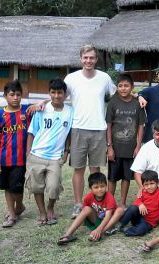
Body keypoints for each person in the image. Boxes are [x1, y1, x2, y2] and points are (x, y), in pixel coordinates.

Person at [63, 45, 116, 218]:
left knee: (95, 169)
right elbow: (58, 97)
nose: (88, 61)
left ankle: (96, 204)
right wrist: (41, 104)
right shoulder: (71, 78)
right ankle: (78, 204)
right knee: (78, 169)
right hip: (78, 129)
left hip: (99, 129)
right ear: (80, 59)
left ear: (96, 59)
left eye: (92, 58)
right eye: (85, 58)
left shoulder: (104, 78)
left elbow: (118, 94)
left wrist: (139, 96)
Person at [25, 78, 74, 226]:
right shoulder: (41, 110)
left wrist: (66, 152)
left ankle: (50, 207)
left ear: (65, 95)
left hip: (55, 158)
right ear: (49, 93)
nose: (57, 96)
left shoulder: (70, 111)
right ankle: (42, 212)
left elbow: (70, 134)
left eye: (60, 93)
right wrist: (29, 153)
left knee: (53, 187)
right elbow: (32, 132)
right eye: (53, 92)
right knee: (36, 186)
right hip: (36, 155)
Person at [0, 80, 31, 228]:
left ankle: (19, 205)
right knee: (7, 187)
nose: (15, 97)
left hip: (21, 160)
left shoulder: (27, 111)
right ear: (5, 96)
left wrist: (38, 104)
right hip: (4, 159)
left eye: (18, 95)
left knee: (16, 187)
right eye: (12, 94)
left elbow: (46, 102)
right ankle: (12, 214)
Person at [106, 73, 146, 208]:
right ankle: (110, 203)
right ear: (117, 87)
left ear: (132, 87)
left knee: (126, 177)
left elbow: (141, 126)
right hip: (115, 148)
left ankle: (122, 202)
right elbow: (109, 125)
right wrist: (109, 146)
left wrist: (138, 146)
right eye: (120, 86)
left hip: (130, 148)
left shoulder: (137, 104)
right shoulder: (113, 103)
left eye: (126, 86)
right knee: (112, 177)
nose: (123, 88)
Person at [57, 172, 121, 245]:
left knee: (120, 210)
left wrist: (99, 229)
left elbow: (108, 216)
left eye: (102, 186)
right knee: (86, 208)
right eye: (96, 187)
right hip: (96, 220)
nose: (100, 189)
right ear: (91, 188)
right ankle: (67, 235)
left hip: (108, 223)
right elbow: (84, 212)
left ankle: (101, 232)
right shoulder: (88, 197)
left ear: (106, 186)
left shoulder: (109, 197)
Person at [104, 170, 159, 236]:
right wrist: (140, 204)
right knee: (133, 208)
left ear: (157, 183)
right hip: (139, 217)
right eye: (146, 185)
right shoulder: (143, 191)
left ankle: (127, 230)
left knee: (141, 230)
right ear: (143, 185)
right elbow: (136, 201)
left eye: (152, 183)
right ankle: (119, 225)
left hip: (149, 222)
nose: (149, 187)